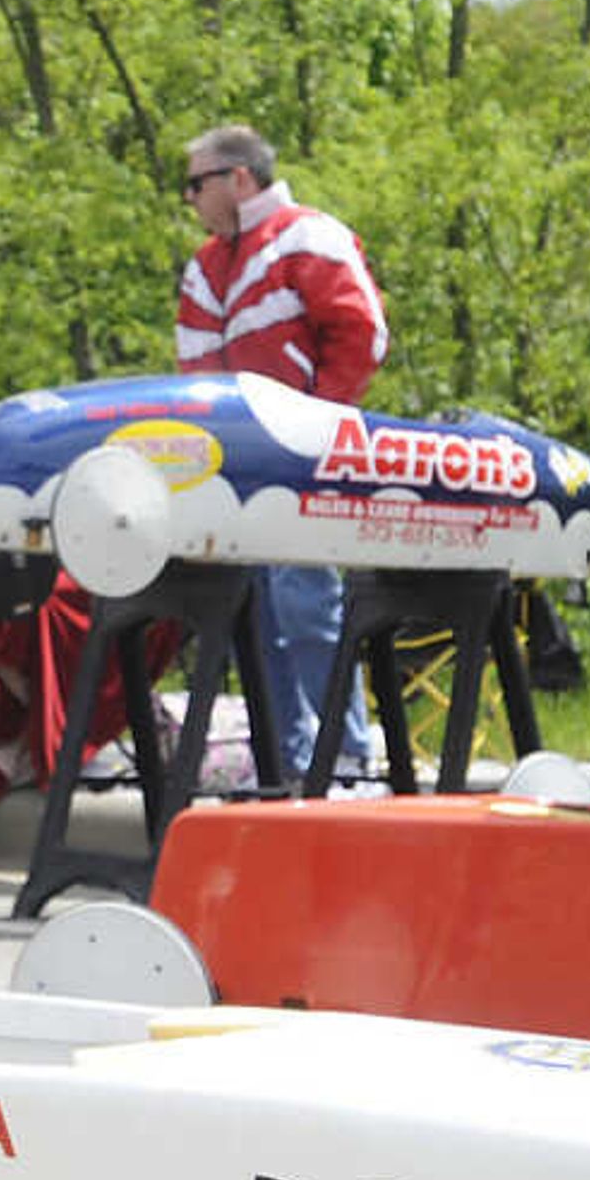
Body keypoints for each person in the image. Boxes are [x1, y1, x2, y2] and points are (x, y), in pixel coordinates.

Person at [172, 122, 390, 780]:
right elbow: (192, 374)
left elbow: (363, 333)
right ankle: (285, 761)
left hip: (305, 460)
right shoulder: (207, 265)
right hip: (232, 470)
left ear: (240, 178)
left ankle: (343, 756)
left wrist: (316, 425)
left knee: (307, 607)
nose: (189, 199)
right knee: (255, 616)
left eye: (196, 183)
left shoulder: (309, 236)